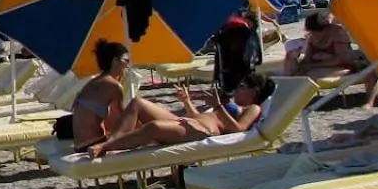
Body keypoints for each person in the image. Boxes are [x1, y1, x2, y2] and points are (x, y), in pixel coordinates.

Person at [87, 72, 276, 160]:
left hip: (205, 131)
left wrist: (218, 106)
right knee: (137, 103)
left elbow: (238, 130)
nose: (237, 89)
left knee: (154, 128)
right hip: (192, 123)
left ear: (255, 91)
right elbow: (199, 116)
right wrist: (186, 102)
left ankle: (105, 146)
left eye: (242, 86)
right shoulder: (232, 106)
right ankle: (112, 142)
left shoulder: (253, 108)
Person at [285, 10, 378, 106]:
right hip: (322, 65)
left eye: (315, 32)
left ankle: (370, 102)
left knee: (310, 74)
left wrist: (312, 65)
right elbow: (308, 58)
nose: (313, 35)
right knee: (292, 61)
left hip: (344, 66)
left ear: (325, 29)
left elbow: (340, 59)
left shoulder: (337, 34)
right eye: (311, 32)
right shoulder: (313, 36)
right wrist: (299, 63)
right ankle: (290, 99)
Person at [68, 39, 131, 151]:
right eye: (126, 60)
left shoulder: (92, 83)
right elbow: (124, 122)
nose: (127, 65)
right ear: (115, 60)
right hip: (93, 145)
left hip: (79, 146)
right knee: (139, 107)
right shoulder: (114, 86)